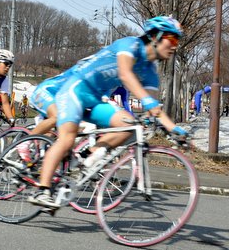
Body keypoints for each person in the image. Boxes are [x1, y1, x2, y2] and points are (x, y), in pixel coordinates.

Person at [28, 16, 189, 209]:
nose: (174, 46)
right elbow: (125, 74)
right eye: (172, 39)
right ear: (155, 36)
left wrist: (174, 129)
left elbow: (153, 105)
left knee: (129, 126)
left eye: (177, 42)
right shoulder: (130, 44)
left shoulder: (150, 70)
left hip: (96, 99)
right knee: (67, 139)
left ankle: (86, 158)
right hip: (75, 90)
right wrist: (147, 102)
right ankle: (42, 189)